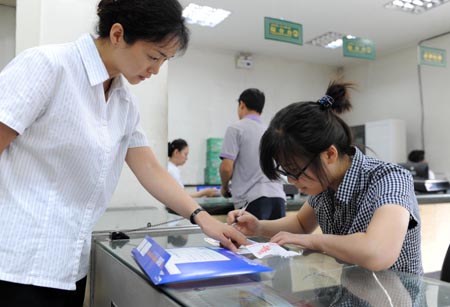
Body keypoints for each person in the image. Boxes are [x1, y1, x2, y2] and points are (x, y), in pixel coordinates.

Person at [0, 1, 246, 306]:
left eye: (164, 61)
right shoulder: (48, 65)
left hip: (68, 266)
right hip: (16, 264)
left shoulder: (123, 100)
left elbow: (150, 169)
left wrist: (202, 217)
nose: (155, 70)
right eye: (153, 56)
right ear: (118, 34)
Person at [227, 81, 423, 276]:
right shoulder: (324, 184)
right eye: (287, 172)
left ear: (329, 154)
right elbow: (301, 225)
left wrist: (315, 241)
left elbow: (377, 252)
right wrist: (258, 226)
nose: (291, 181)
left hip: (398, 296)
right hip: (351, 292)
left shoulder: (390, 179)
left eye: (296, 171)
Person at [219, 88, 286, 220]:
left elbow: (226, 168)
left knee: (249, 241)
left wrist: (224, 187)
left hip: (251, 200)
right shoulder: (272, 130)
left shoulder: (236, 128)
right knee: (275, 241)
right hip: (278, 198)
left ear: (241, 104)